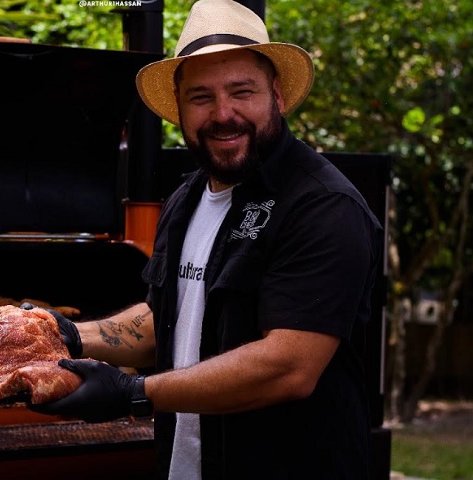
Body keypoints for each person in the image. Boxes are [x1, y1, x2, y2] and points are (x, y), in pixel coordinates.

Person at [23, 0, 384, 478]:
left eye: (241, 91)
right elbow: (169, 317)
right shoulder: (187, 198)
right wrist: (68, 334)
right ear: (178, 107)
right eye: (201, 97)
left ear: (275, 93)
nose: (223, 114)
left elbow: (289, 367)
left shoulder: (322, 206)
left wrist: (132, 393)